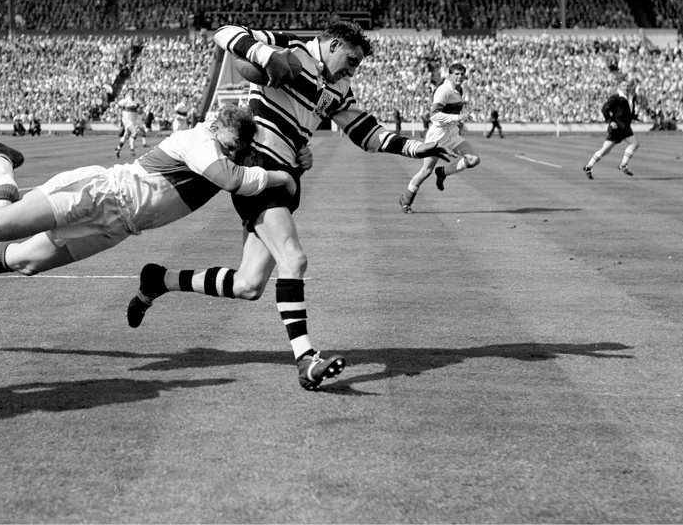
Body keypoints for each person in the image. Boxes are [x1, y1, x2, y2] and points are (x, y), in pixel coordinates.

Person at [126, 20, 457, 391]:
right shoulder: (290, 47)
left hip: (288, 177)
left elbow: (366, 133)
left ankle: (159, 279)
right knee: (294, 258)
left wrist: (417, 148)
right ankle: (306, 360)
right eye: (351, 59)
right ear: (331, 45)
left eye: (358, 64)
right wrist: (266, 55)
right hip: (259, 169)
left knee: (248, 284)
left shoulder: (339, 88)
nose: (353, 68)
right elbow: (225, 33)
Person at [0, 105, 297, 311]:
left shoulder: (219, 151)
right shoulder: (199, 139)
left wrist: (297, 159)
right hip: (98, 194)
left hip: (117, 226)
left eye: (235, 150)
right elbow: (234, 180)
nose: (231, 153)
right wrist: (282, 178)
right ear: (216, 125)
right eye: (230, 144)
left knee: (28, 263)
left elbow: (240, 167)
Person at [399, 63, 481, 213]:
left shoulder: (460, 89)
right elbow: (434, 114)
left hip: (452, 133)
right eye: (456, 73)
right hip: (437, 134)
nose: (459, 76)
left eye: (462, 74)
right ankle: (406, 200)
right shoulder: (443, 90)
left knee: (474, 159)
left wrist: (460, 121)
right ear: (449, 75)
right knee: (426, 171)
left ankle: (443, 172)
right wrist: (458, 117)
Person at [583, 80, 639, 179]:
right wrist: (610, 121)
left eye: (627, 86)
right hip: (620, 126)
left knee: (605, 150)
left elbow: (626, 111)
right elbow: (605, 109)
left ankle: (589, 166)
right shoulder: (616, 98)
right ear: (620, 87)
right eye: (624, 85)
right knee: (634, 143)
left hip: (621, 126)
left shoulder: (631, 97)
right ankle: (623, 165)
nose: (626, 87)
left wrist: (633, 116)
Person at [114, 94, 145, 159]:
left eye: (133, 92)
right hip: (127, 120)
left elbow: (140, 111)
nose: (131, 93)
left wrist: (140, 109)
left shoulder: (137, 101)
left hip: (133, 120)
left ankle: (118, 148)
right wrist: (118, 115)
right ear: (128, 93)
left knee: (126, 136)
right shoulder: (125, 100)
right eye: (130, 92)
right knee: (135, 132)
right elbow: (117, 105)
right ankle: (131, 147)